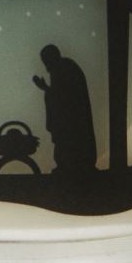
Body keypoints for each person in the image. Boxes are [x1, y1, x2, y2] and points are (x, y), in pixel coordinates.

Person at [33, 45, 97, 175]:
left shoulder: (62, 69)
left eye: (46, 61)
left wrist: (45, 88)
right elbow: (60, 95)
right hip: (71, 119)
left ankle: (71, 165)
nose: (46, 66)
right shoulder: (65, 67)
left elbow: (64, 99)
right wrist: (46, 89)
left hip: (71, 122)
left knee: (69, 144)